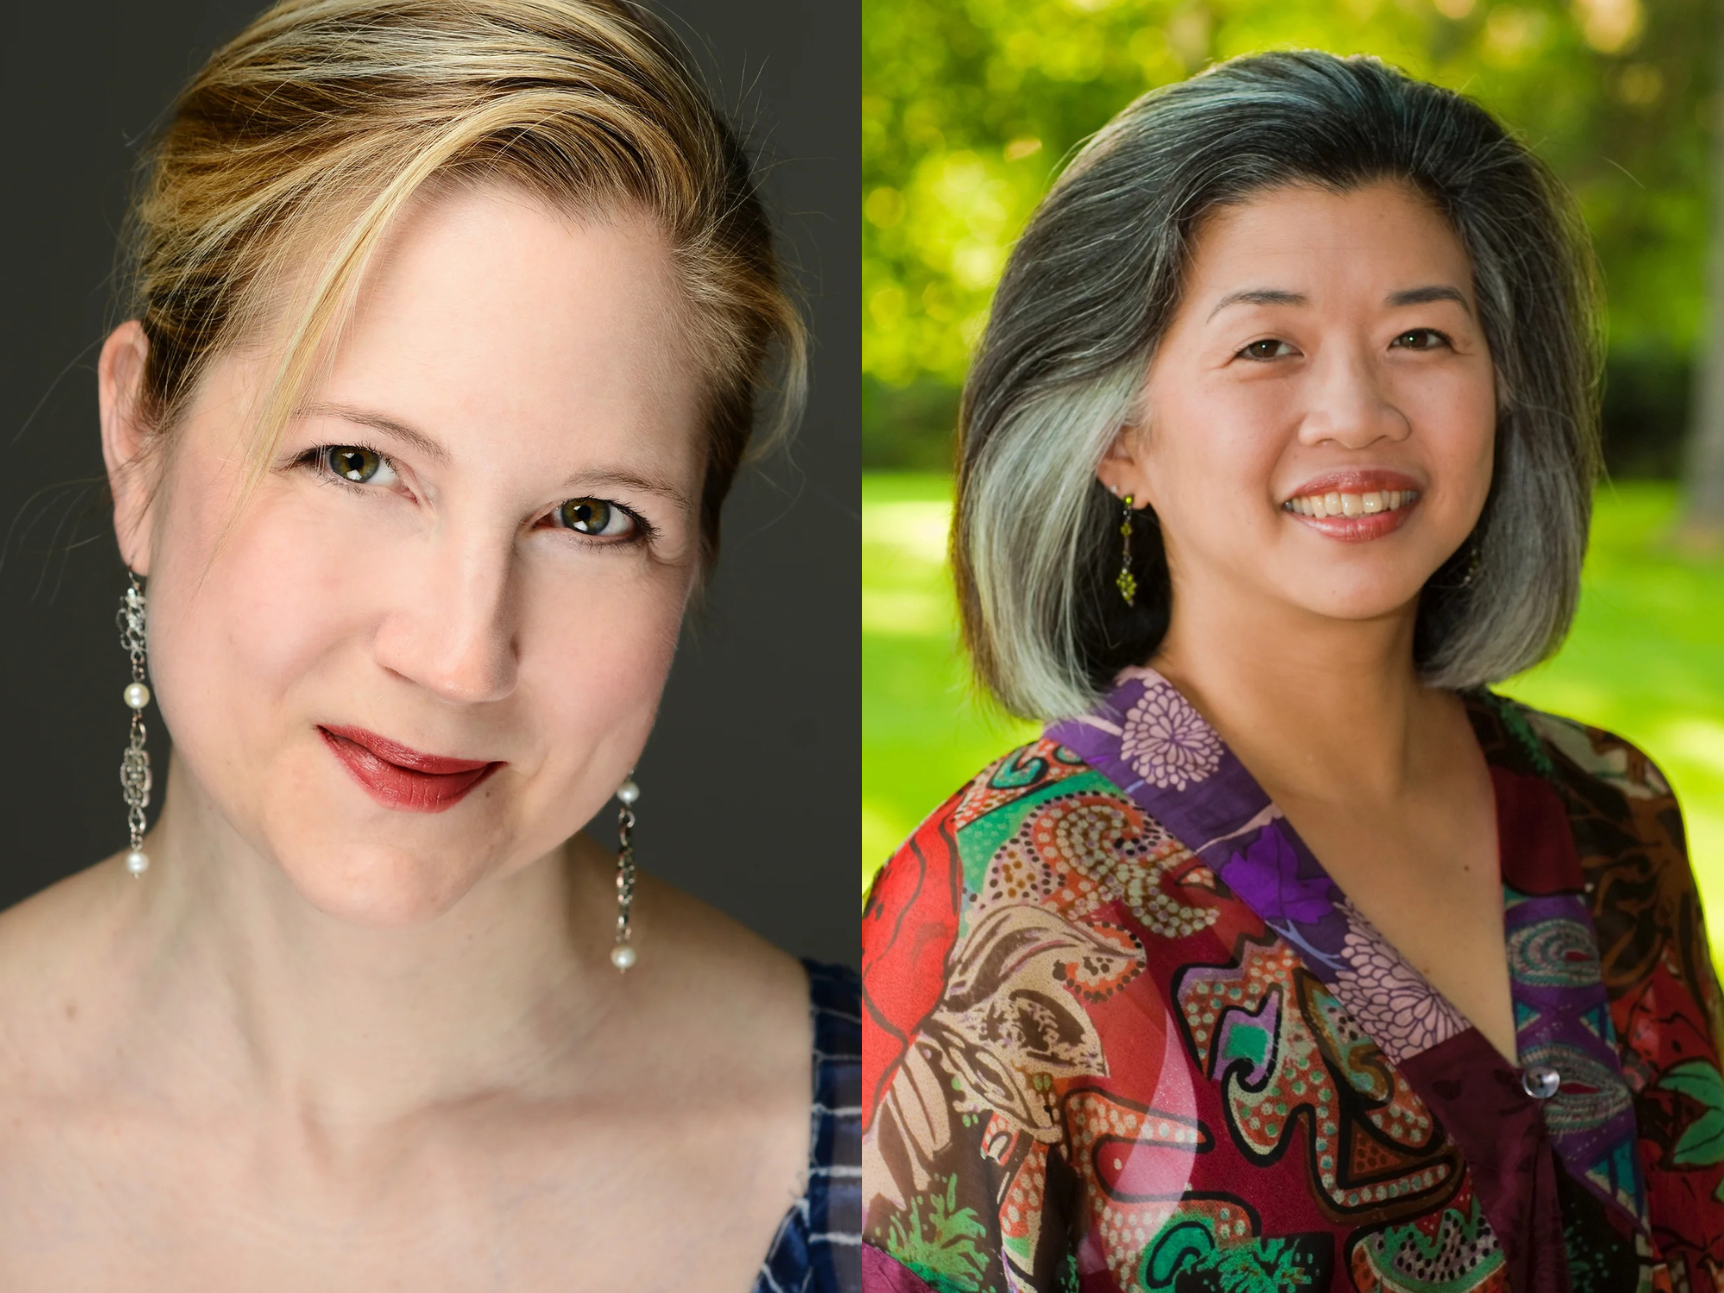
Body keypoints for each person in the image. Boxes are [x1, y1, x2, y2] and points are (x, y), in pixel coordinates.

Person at [0, 1, 858, 1288]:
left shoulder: (948, 1146)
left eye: (590, 517)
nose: (461, 656)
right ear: (139, 444)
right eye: (355, 462)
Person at [861, 49, 1724, 1293]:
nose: (1357, 411)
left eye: (1420, 335)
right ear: (1115, 438)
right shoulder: (998, 908)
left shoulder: (1614, 808)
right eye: (1266, 346)